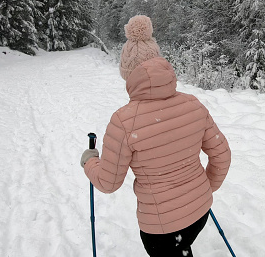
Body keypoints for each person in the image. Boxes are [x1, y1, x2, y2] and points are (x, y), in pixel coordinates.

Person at [80, 15, 232, 257]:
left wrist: (89, 161)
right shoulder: (193, 105)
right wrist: (204, 188)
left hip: (161, 229)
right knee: (182, 248)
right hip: (200, 212)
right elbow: (222, 155)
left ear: (129, 76)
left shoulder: (123, 121)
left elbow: (109, 182)